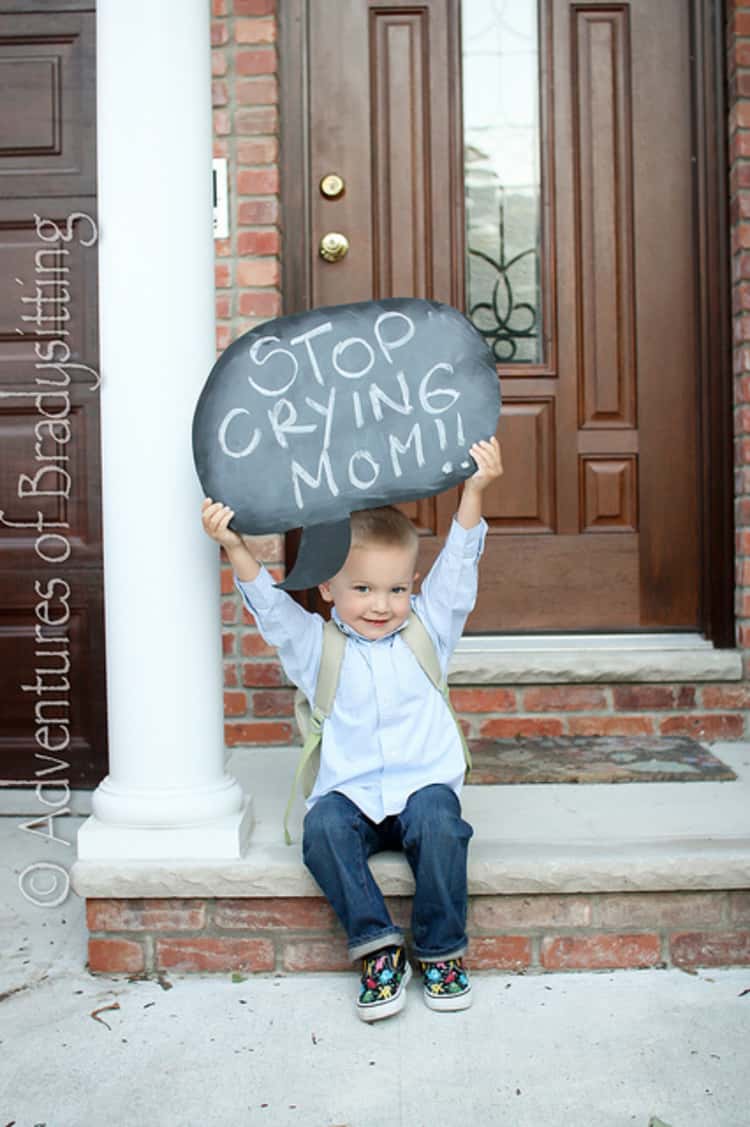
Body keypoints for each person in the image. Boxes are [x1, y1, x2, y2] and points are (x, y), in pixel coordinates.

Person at [201, 435, 503, 1022]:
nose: (381, 604)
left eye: (396, 589)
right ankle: (378, 947)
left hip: (421, 789)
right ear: (327, 589)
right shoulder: (317, 647)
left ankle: (440, 952)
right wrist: (235, 546)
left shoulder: (429, 632)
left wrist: (475, 491)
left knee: (443, 827)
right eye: (361, 588)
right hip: (354, 793)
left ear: (413, 588)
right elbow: (269, 606)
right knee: (323, 830)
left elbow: (459, 563)